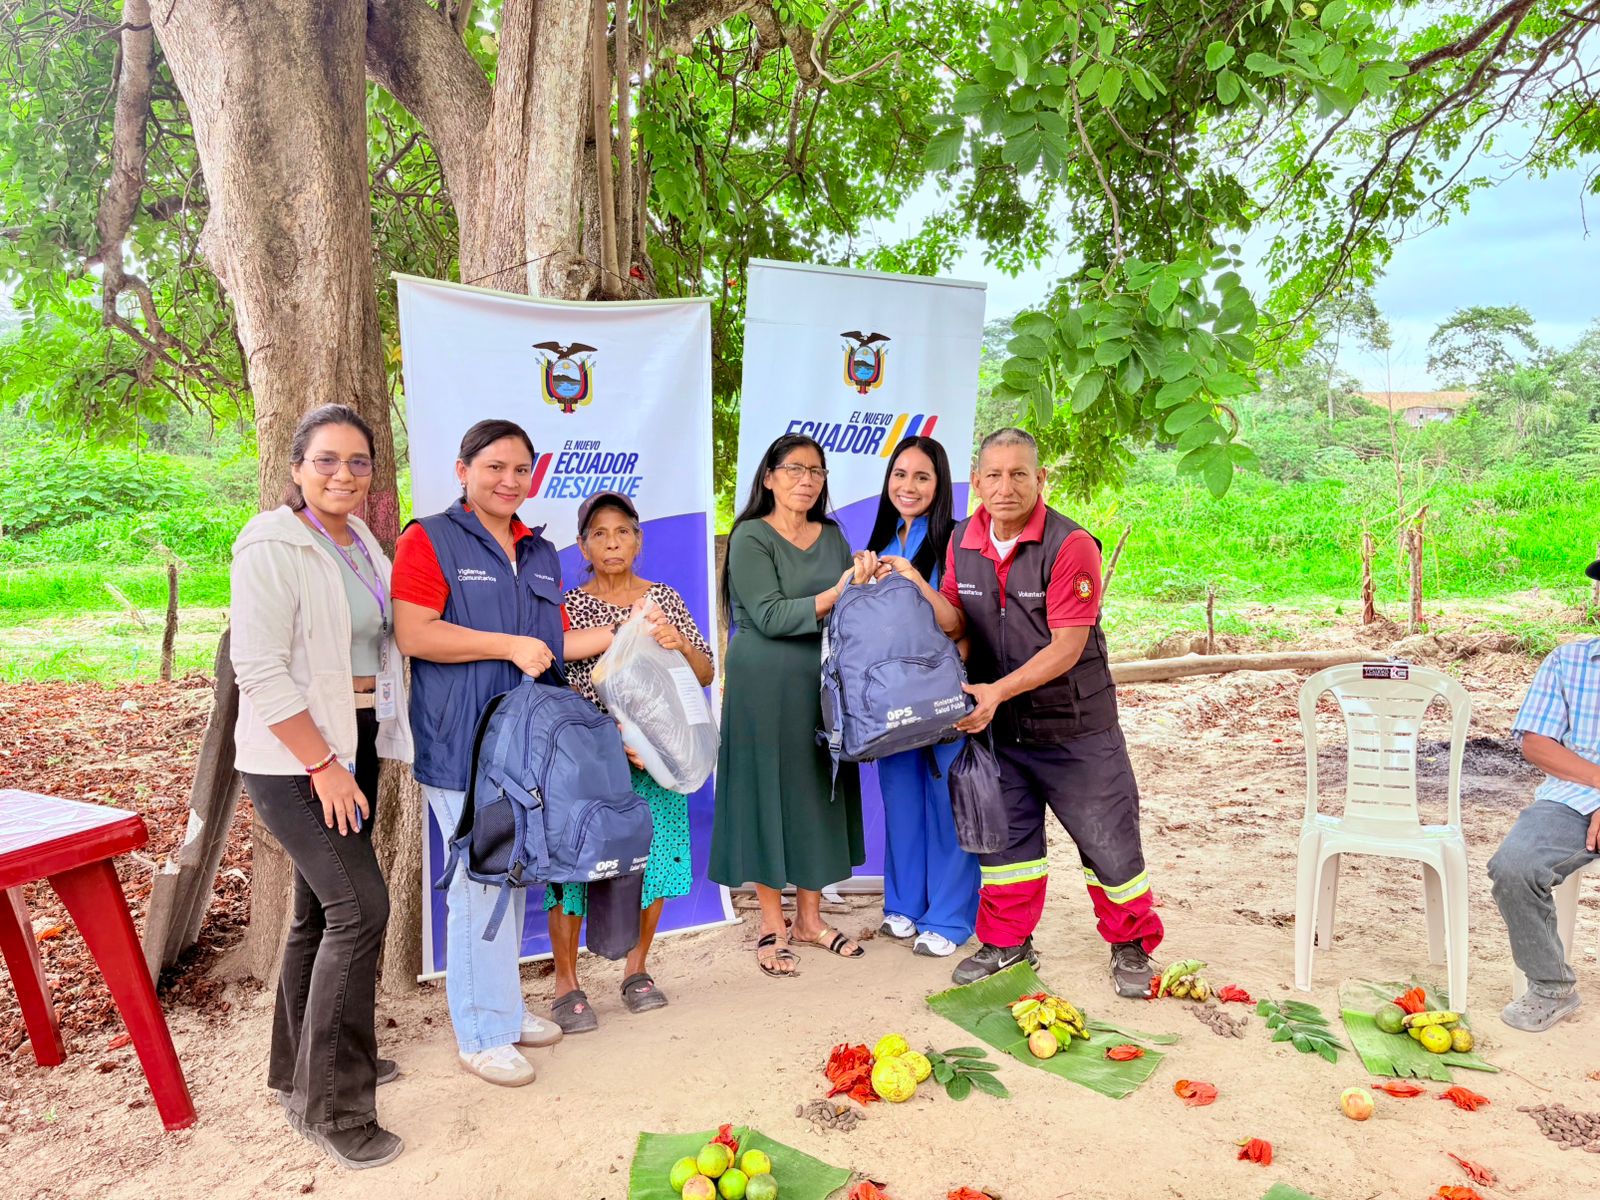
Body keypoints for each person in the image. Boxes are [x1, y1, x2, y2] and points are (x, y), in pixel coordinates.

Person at [391, 419, 616, 1085]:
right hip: (460, 743)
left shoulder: (540, 552)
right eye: (494, 467)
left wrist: (624, 633)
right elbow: (414, 633)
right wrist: (505, 646)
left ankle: (506, 1010)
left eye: (521, 470)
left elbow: (551, 644)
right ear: (463, 471)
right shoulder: (428, 538)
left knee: (512, 876)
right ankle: (481, 1033)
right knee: (477, 883)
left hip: (525, 746)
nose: (509, 480)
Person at [230, 404, 413, 1170]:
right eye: (327, 460)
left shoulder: (360, 539)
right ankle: (333, 1107)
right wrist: (322, 764)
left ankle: (298, 1068)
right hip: (295, 758)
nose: (344, 474)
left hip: (355, 738)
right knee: (360, 908)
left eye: (358, 461)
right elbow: (258, 667)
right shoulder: (271, 543)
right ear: (297, 468)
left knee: (317, 911)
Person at [926, 427, 1162, 996]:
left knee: (1108, 841)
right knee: (1007, 847)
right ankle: (1008, 943)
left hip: (1075, 728)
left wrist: (995, 692)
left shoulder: (1069, 544)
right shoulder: (962, 540)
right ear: (976, 481)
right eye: (993, 475)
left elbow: (1067, 647)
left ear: (1040, 478)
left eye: (1019, 474)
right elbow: (955, 619)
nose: (1005, 487)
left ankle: (1131, 944)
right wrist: (913, 587)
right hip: (1001, 729)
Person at [710, 433, 873, 977]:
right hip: (762, 686)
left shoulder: (833, 537)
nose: (807, 480)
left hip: (822, 683)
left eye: (816, 471)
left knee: (817, 791)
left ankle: (808, 919)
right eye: (795, 469)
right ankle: (770, 923)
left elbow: (851, 611)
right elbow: (772, 616)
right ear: (769, 477)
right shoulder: (751, 535)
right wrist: (840, 591)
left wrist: (865, 581)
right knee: (765, 793)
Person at [551, 490, 716, 1024]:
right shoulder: (569, 606)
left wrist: (678, 642)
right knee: (573, 868)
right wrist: (609, 738)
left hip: (659, 759)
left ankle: (636, 970)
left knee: (656, 859)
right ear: (583, 546)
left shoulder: (661, 600)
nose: (612, 542)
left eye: (622, 531)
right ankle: (567, 984)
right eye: (599, 534)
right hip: (591, 760)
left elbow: (705, 673)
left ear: (638, 540)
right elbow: (556, 684)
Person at [864, 435, 978, 958]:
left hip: (943, 692)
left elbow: (959, 623)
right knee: (901, 799)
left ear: (940, 485)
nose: (908, 486)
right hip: (889, 698)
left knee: (947, 802)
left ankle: (949, 917)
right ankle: (904, 905)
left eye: (922, 477)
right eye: (900, 474)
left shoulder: (957, 540)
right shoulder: (878, 541)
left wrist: (913, 579)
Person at [1488, 558, 1600, 1031]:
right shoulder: (1568, 662)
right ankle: (1551, 987)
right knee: (1513, 867)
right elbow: (1537, 744)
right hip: (1572, 797)